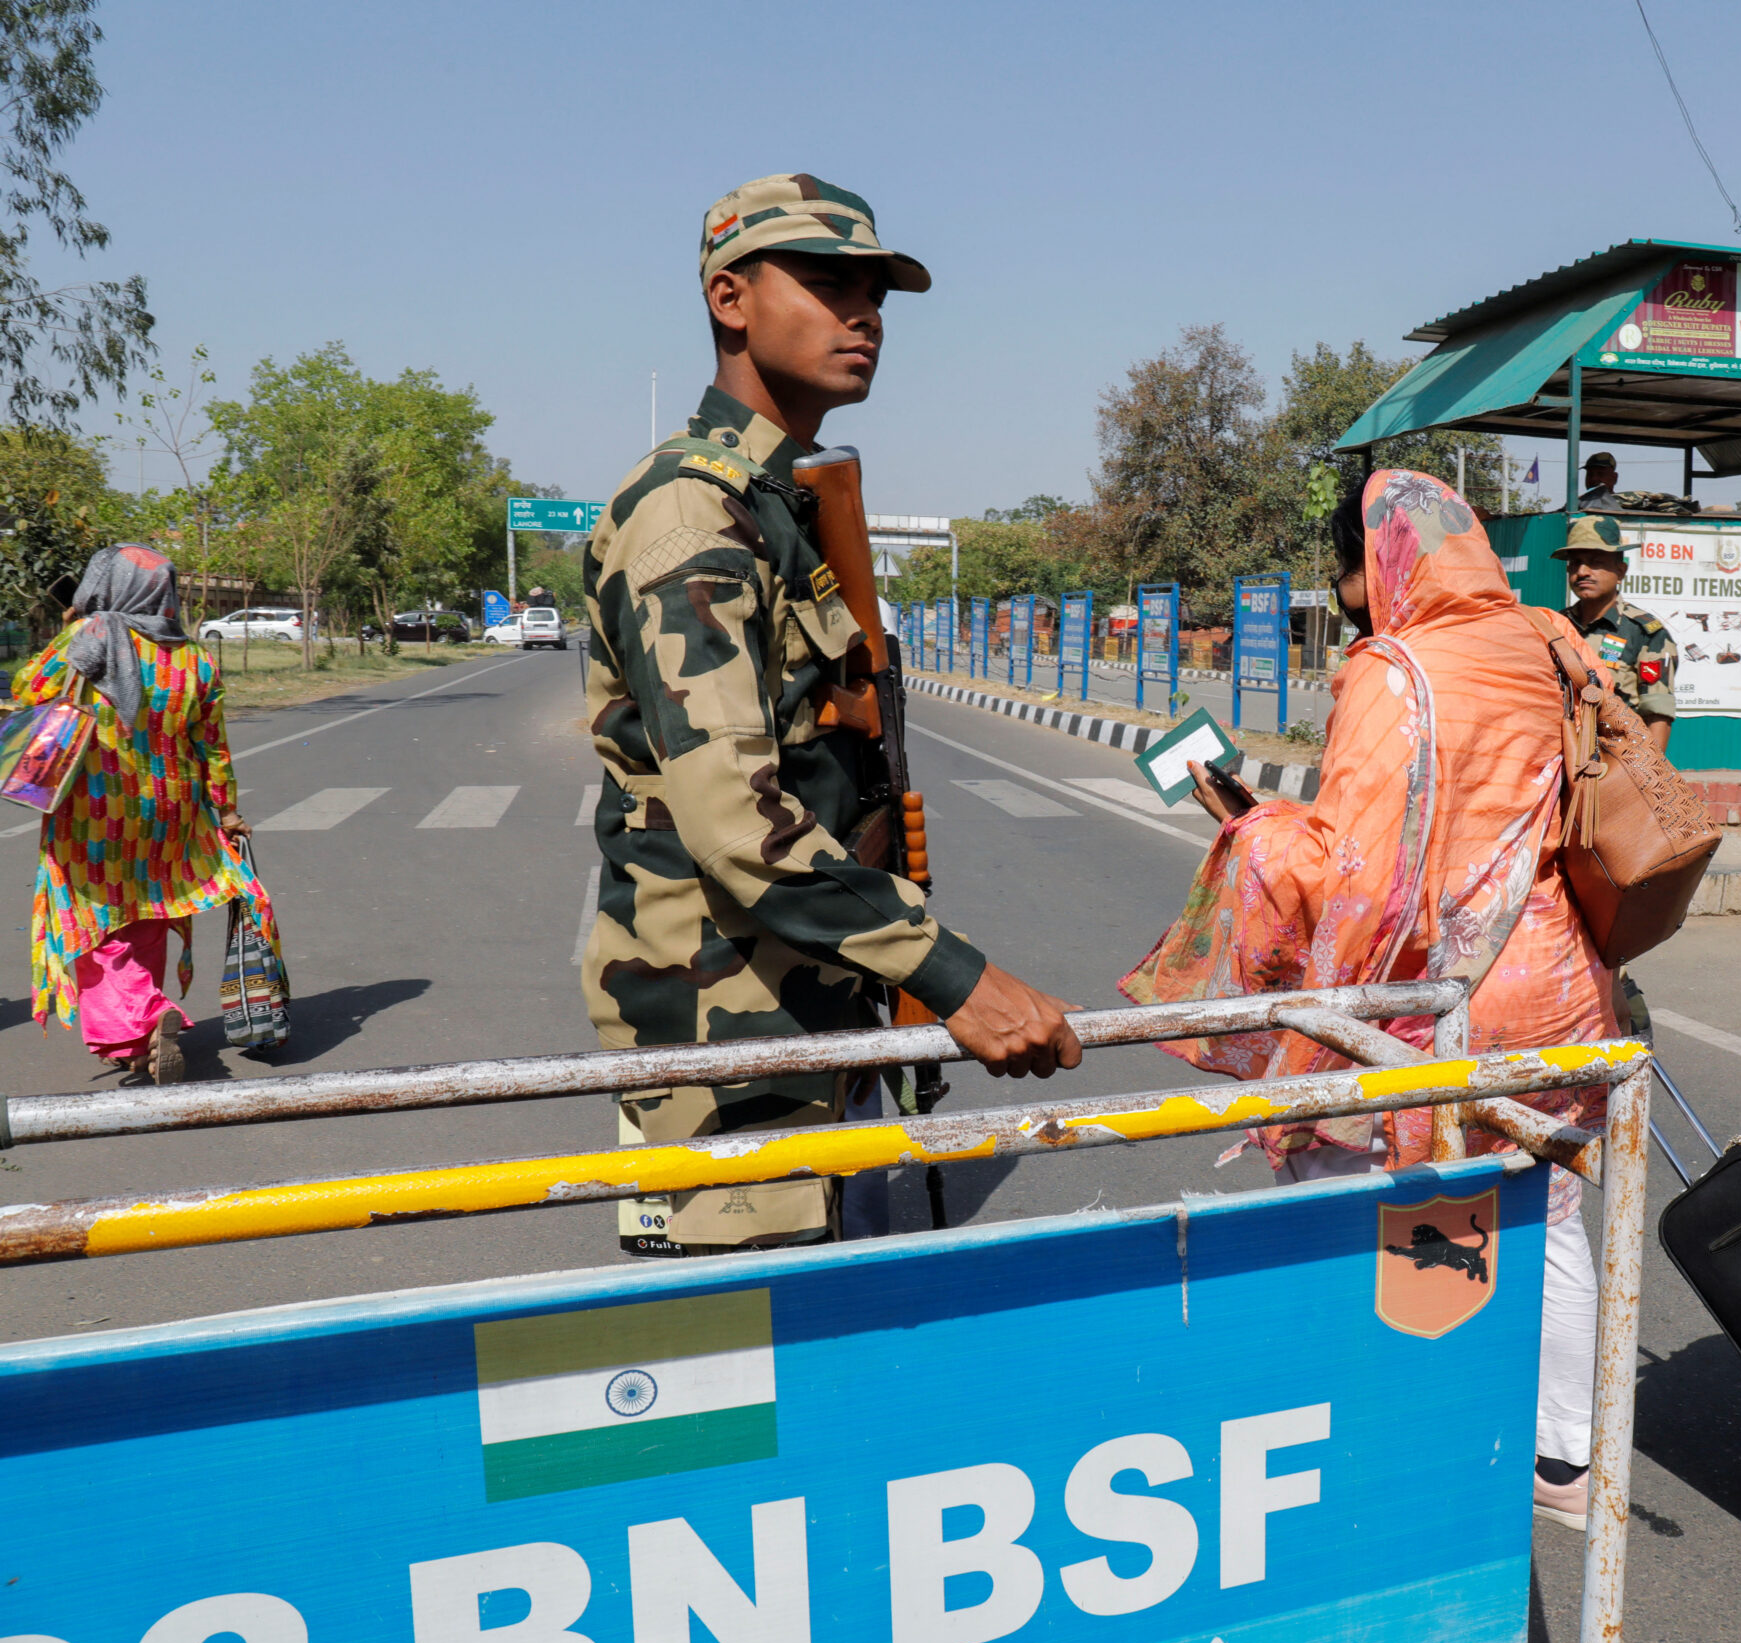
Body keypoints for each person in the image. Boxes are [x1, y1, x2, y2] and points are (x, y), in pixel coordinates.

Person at [582, 172, 1081, 1258]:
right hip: (726, 1026)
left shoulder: (774, 502)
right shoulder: (690, 513)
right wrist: (954, 976)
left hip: (801, 1001)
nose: (861, 316)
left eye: (875, 295)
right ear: (729, 297)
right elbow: (733, 823)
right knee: (746, 1376)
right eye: (823, 283)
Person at [1123, 469, 1618, 1530]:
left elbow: (1353, 874)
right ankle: (1567, 1463)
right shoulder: (1544, 641)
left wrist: (1247, 823)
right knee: (1555, 1207)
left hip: (1442, 994)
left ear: (1375, 562)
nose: (1348, 591)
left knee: (1377, 1193)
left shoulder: (1393, 671)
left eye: (1348, 568)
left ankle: (1391, 1429)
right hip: (1559, 978)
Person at [14, 544, 274, 1085]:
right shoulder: (193, 658)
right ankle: (140, 1042)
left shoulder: (90, 637)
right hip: (170, 812)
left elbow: (27, 693)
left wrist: (68, 628)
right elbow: (214, 748)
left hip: (93, 810)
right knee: (149, 910)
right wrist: (225, 813)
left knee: (90, 920)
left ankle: (144, 1017)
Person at [1556, 514, 1676, 748]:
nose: (1583, 571)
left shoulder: (1644, 632)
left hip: (1614, 764)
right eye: (1575, 562)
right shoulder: (1555, 626)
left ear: (1621, 571)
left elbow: (1657, 714)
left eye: (1595, 561)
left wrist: (1646, 778)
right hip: (1557, 762)